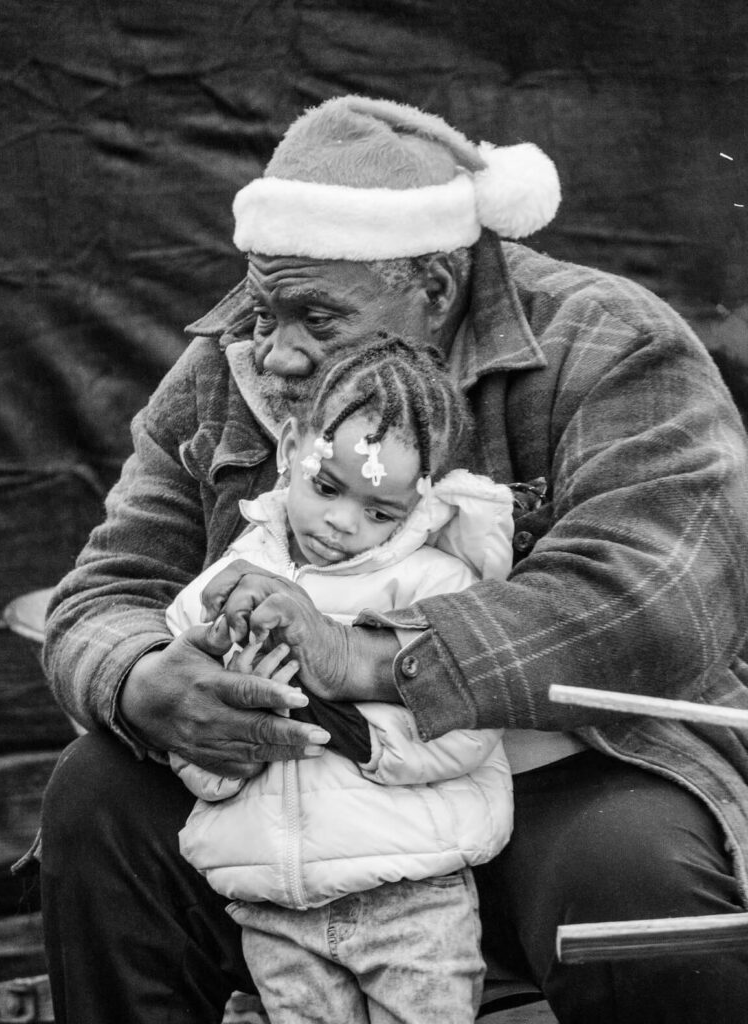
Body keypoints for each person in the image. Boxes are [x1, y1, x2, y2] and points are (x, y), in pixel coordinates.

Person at [40, 95, 748, 1024]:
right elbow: (106, 589)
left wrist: (371, 659)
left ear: (437, 285)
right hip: (299, 776)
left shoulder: (605, 339)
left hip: (572, 771)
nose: (280, 354)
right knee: (95, 796)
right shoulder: (232, 363)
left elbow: (660, 595)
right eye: (263, 307)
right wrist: (137, 678)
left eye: (317, 319)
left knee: (631, 869)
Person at [165, 337, 515, 1023]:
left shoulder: (437, 591)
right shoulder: (221, 591)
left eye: (379, 511)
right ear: (292, 446)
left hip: (413, 900)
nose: (342, 521)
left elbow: (465, 733)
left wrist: (334, 717)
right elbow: (188, 744)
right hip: (275, 912)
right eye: (327, 487)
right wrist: (236, 737)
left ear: (419, 500)